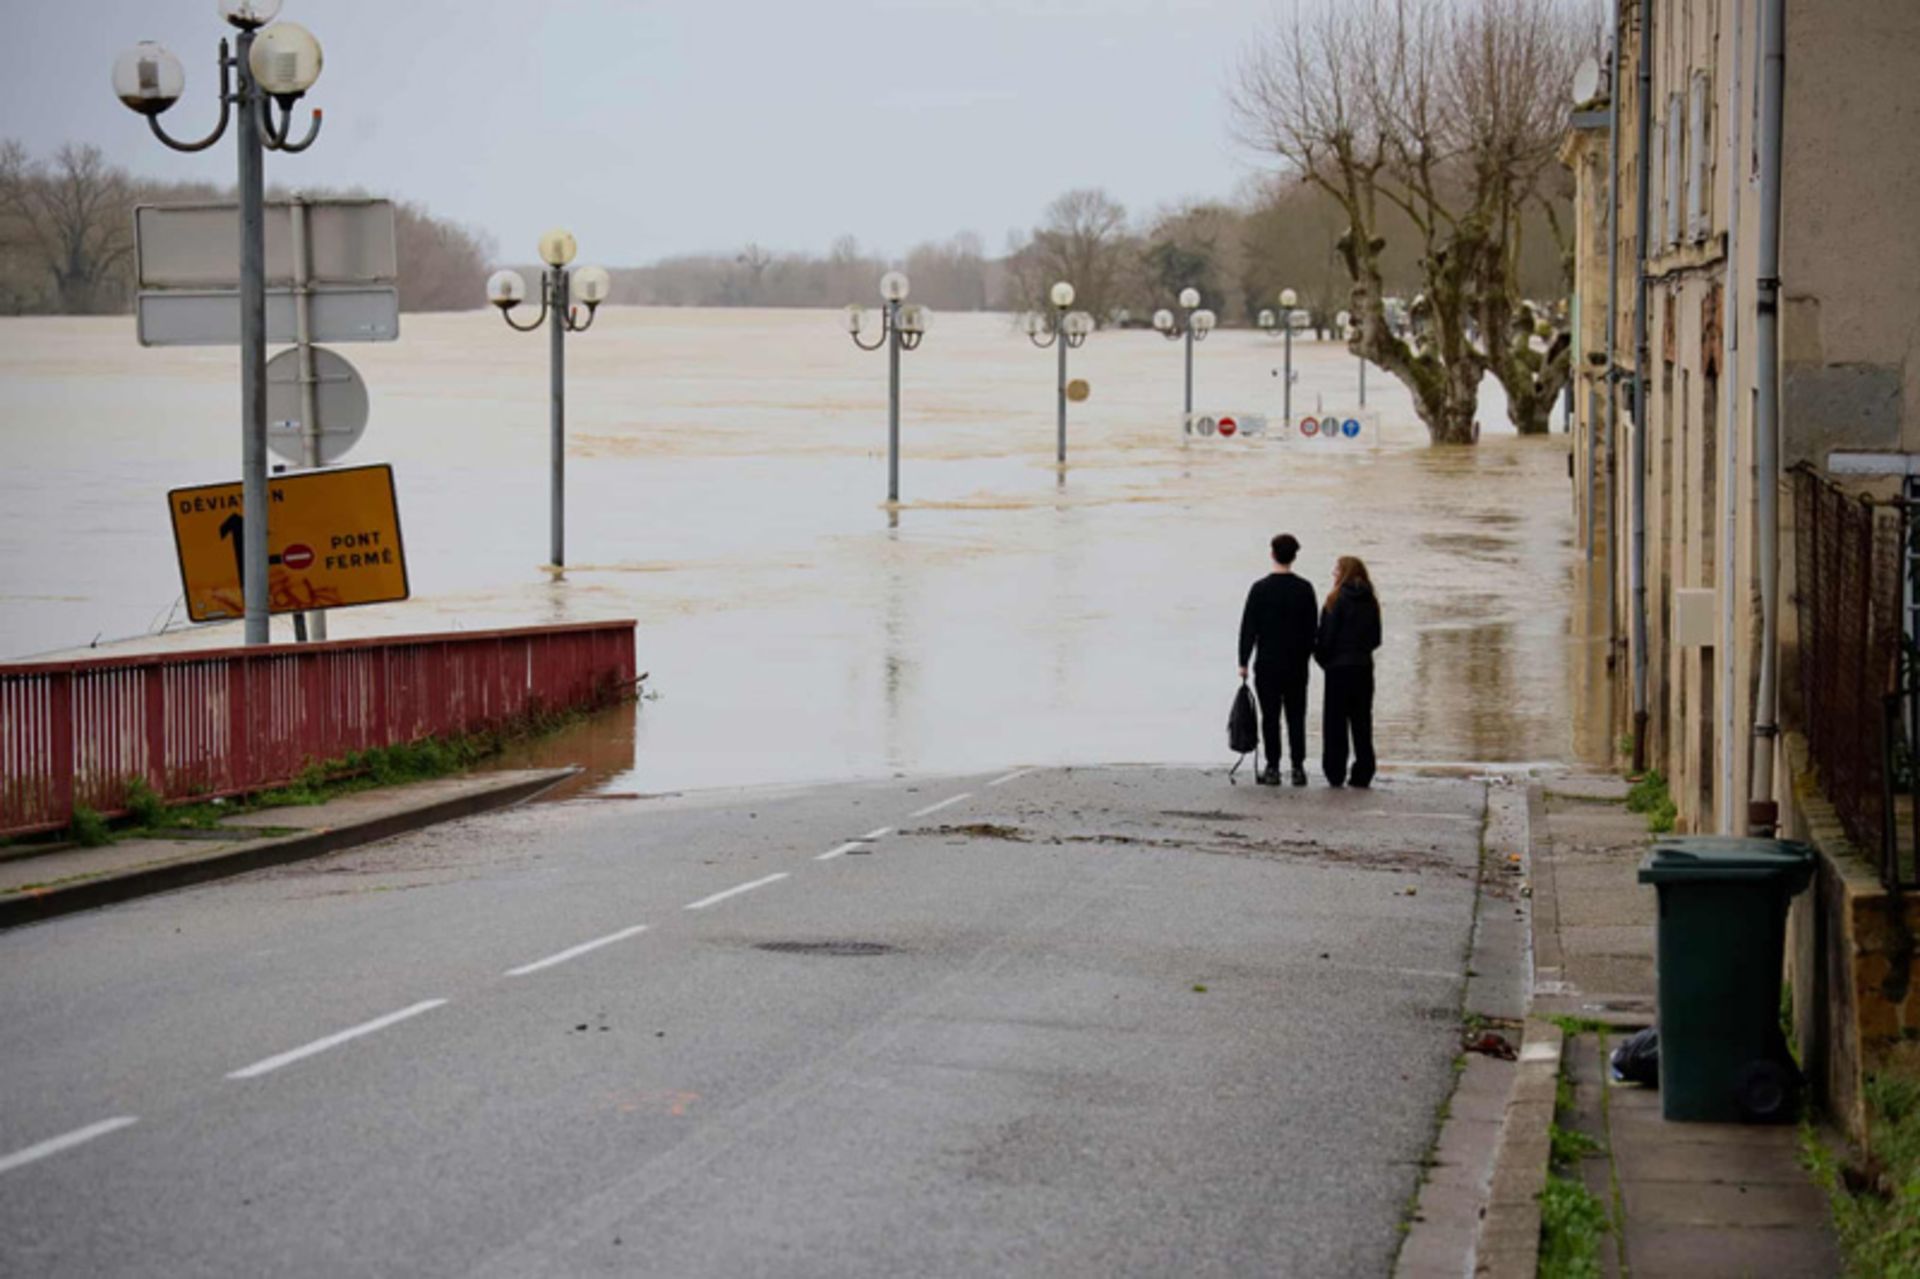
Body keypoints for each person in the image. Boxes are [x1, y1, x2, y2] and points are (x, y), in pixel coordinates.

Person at [1237, 533, 1318, 787]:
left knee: (1270, 716)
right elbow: (1312, 629)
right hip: (1296, 663)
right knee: (1296, 715)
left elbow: (1248, 628)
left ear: (1272, 554)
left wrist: (1243, 662)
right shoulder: (1305, 589)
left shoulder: (1260, 589)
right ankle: (1298, 768)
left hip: (1268, 662)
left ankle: (1272, 767)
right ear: (1294, 556)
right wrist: (1307, 656)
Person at [1315, 556, 1382, 788]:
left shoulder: (1335, 600)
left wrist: (1323, 660)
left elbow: (1326, 637)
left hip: (1338, 669)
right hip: (1363, 667)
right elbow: (1376, 638)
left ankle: (1335, 771)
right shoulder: (1371, 601)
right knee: (1362, 721)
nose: (1333, 573)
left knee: (1335, 723)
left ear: (1343, 572)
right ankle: (1364, 771)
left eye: (1336, 569)